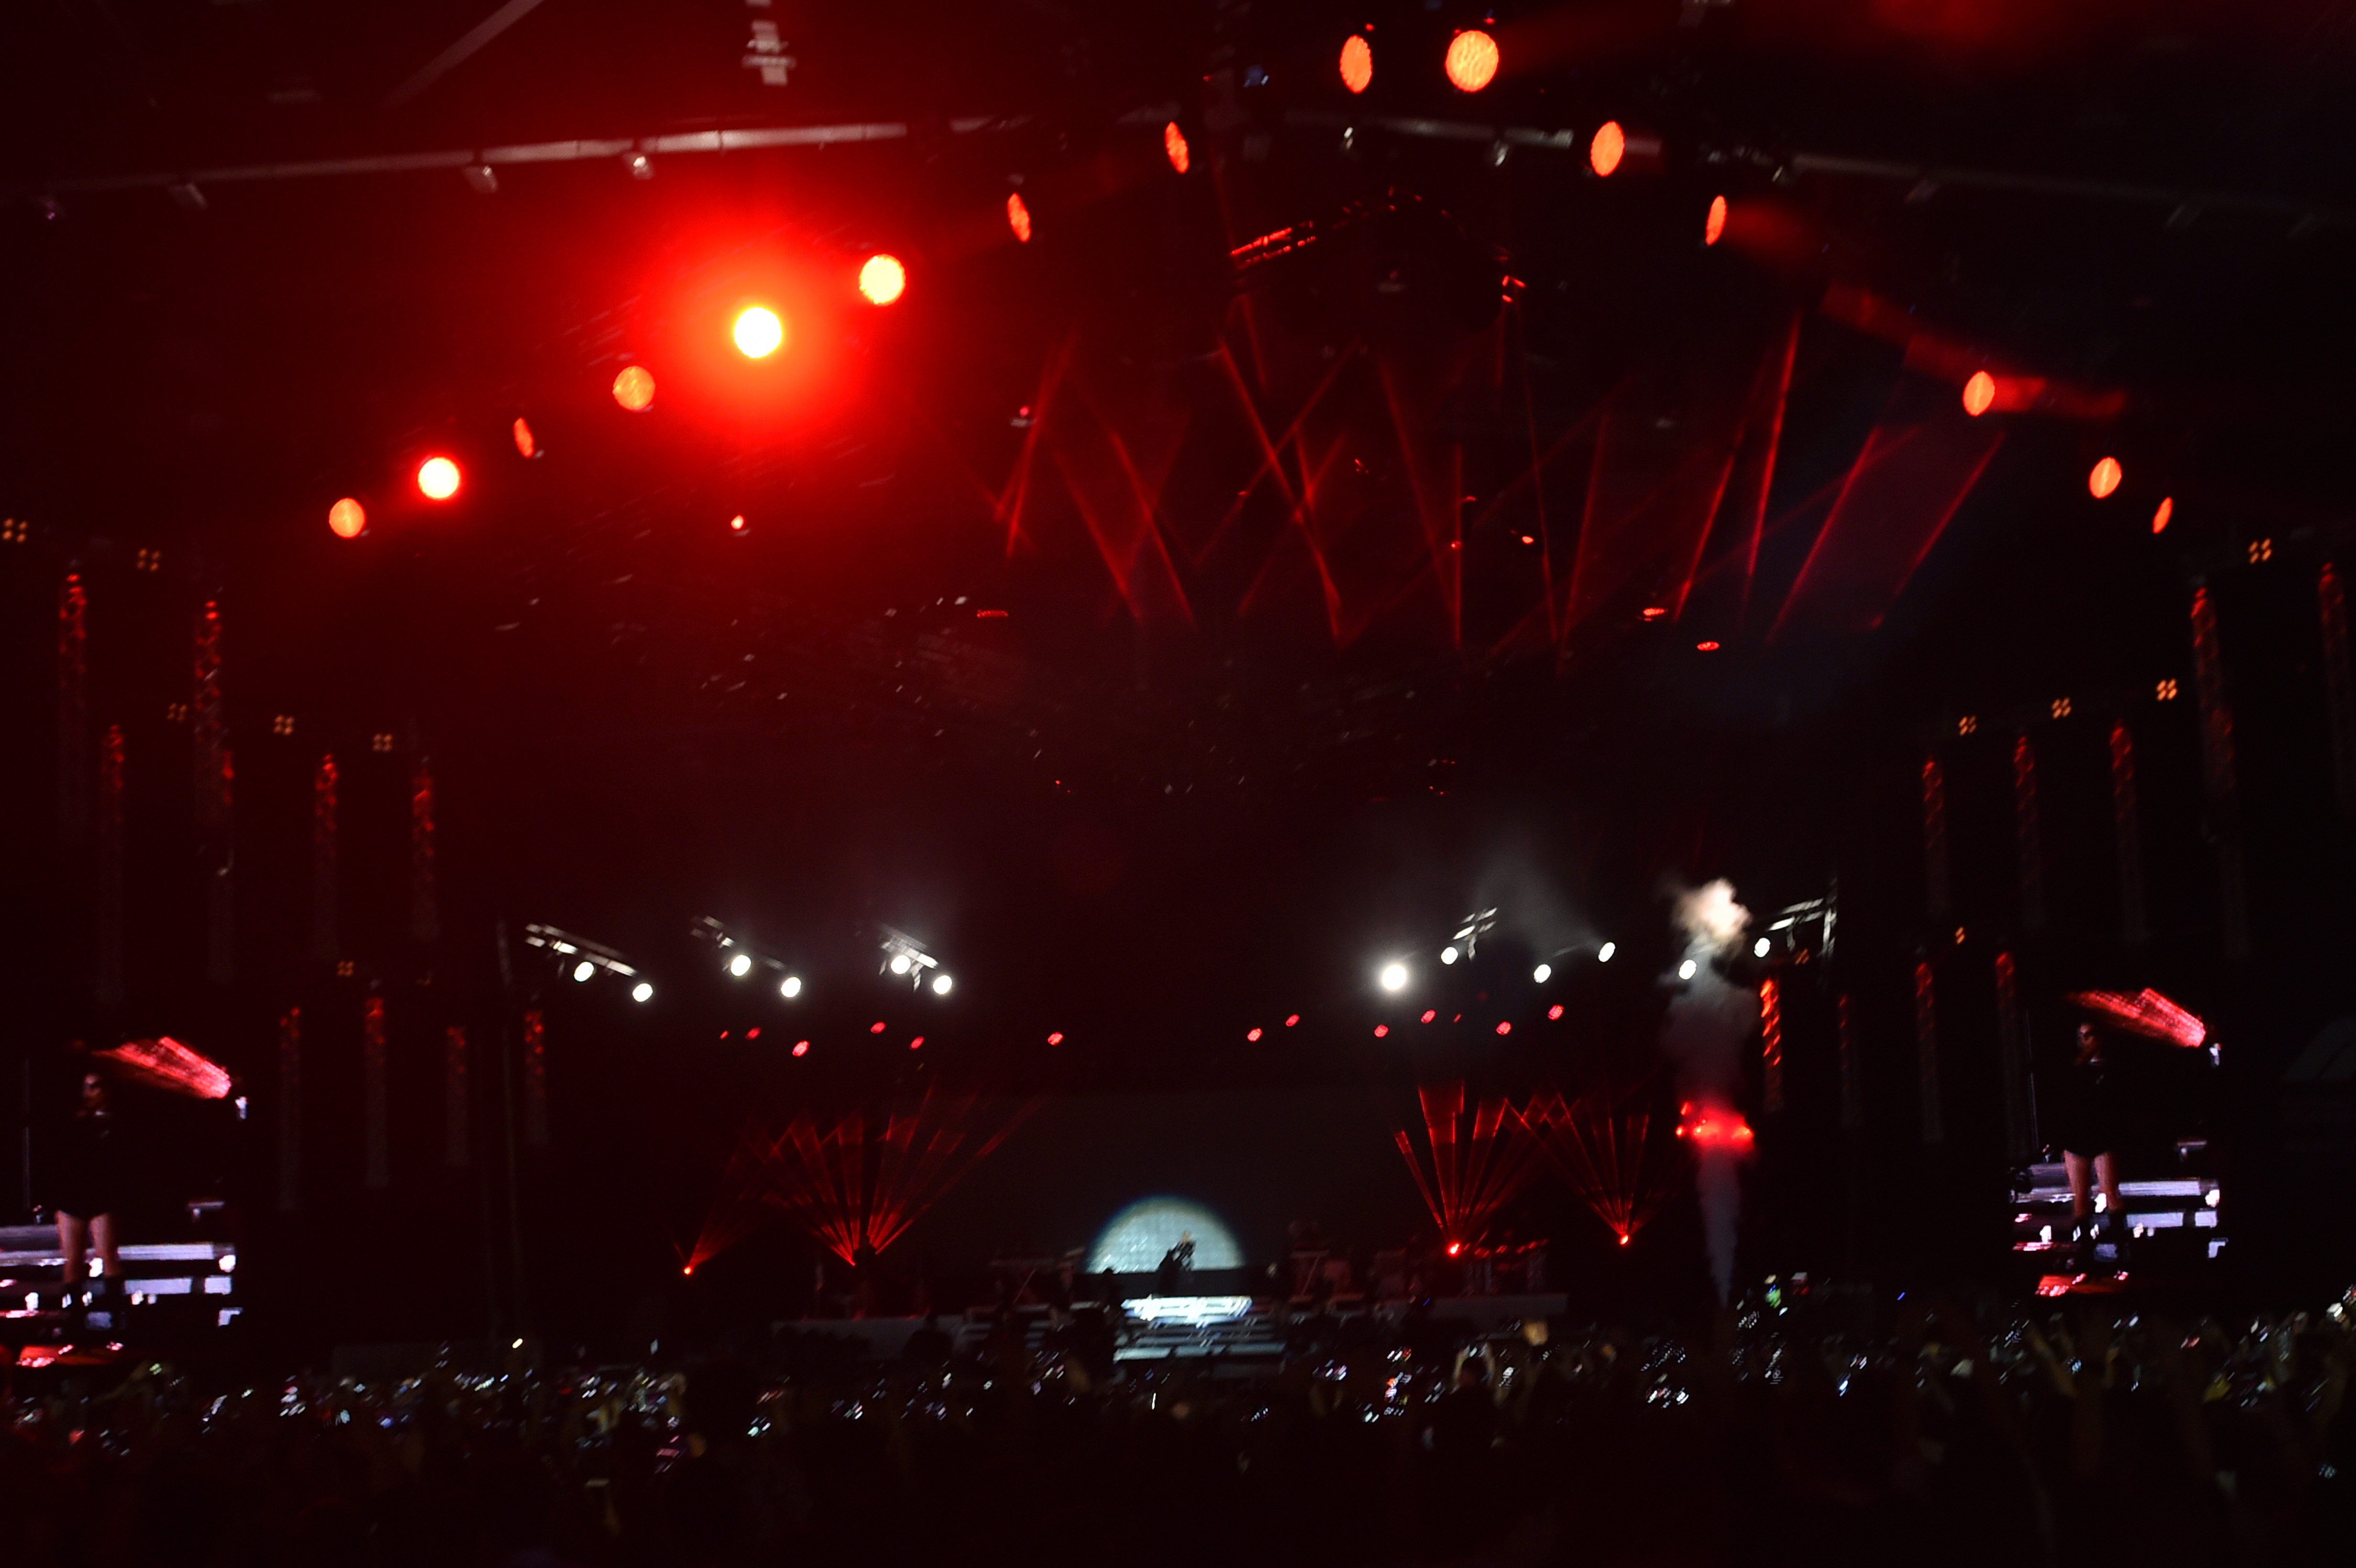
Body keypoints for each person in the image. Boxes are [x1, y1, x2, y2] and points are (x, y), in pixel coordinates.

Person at [2049, 1021, 2130, 1268]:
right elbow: (2065, 1093)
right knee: (2081, 1197)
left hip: (2102, 1136)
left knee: (2110, 1191)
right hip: (2076, 1136)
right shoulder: (2073, 1067)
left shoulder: (2111, 1067)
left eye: (2091, 1035)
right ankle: (2086, 1250)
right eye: (2083, 1036)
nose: (2088, 1040)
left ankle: (2122, 1248)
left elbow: (2117, 1099)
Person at [47, 1067, 127, 1310]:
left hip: (101, 1196)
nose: (90, 1093)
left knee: (107, 1255)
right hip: (72, 1195)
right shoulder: (73, 1121)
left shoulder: (116, 1122)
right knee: (72, 1260)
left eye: (95, 1087)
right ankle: (76, 1316)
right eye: (87, 1087)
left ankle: (116, 1314)